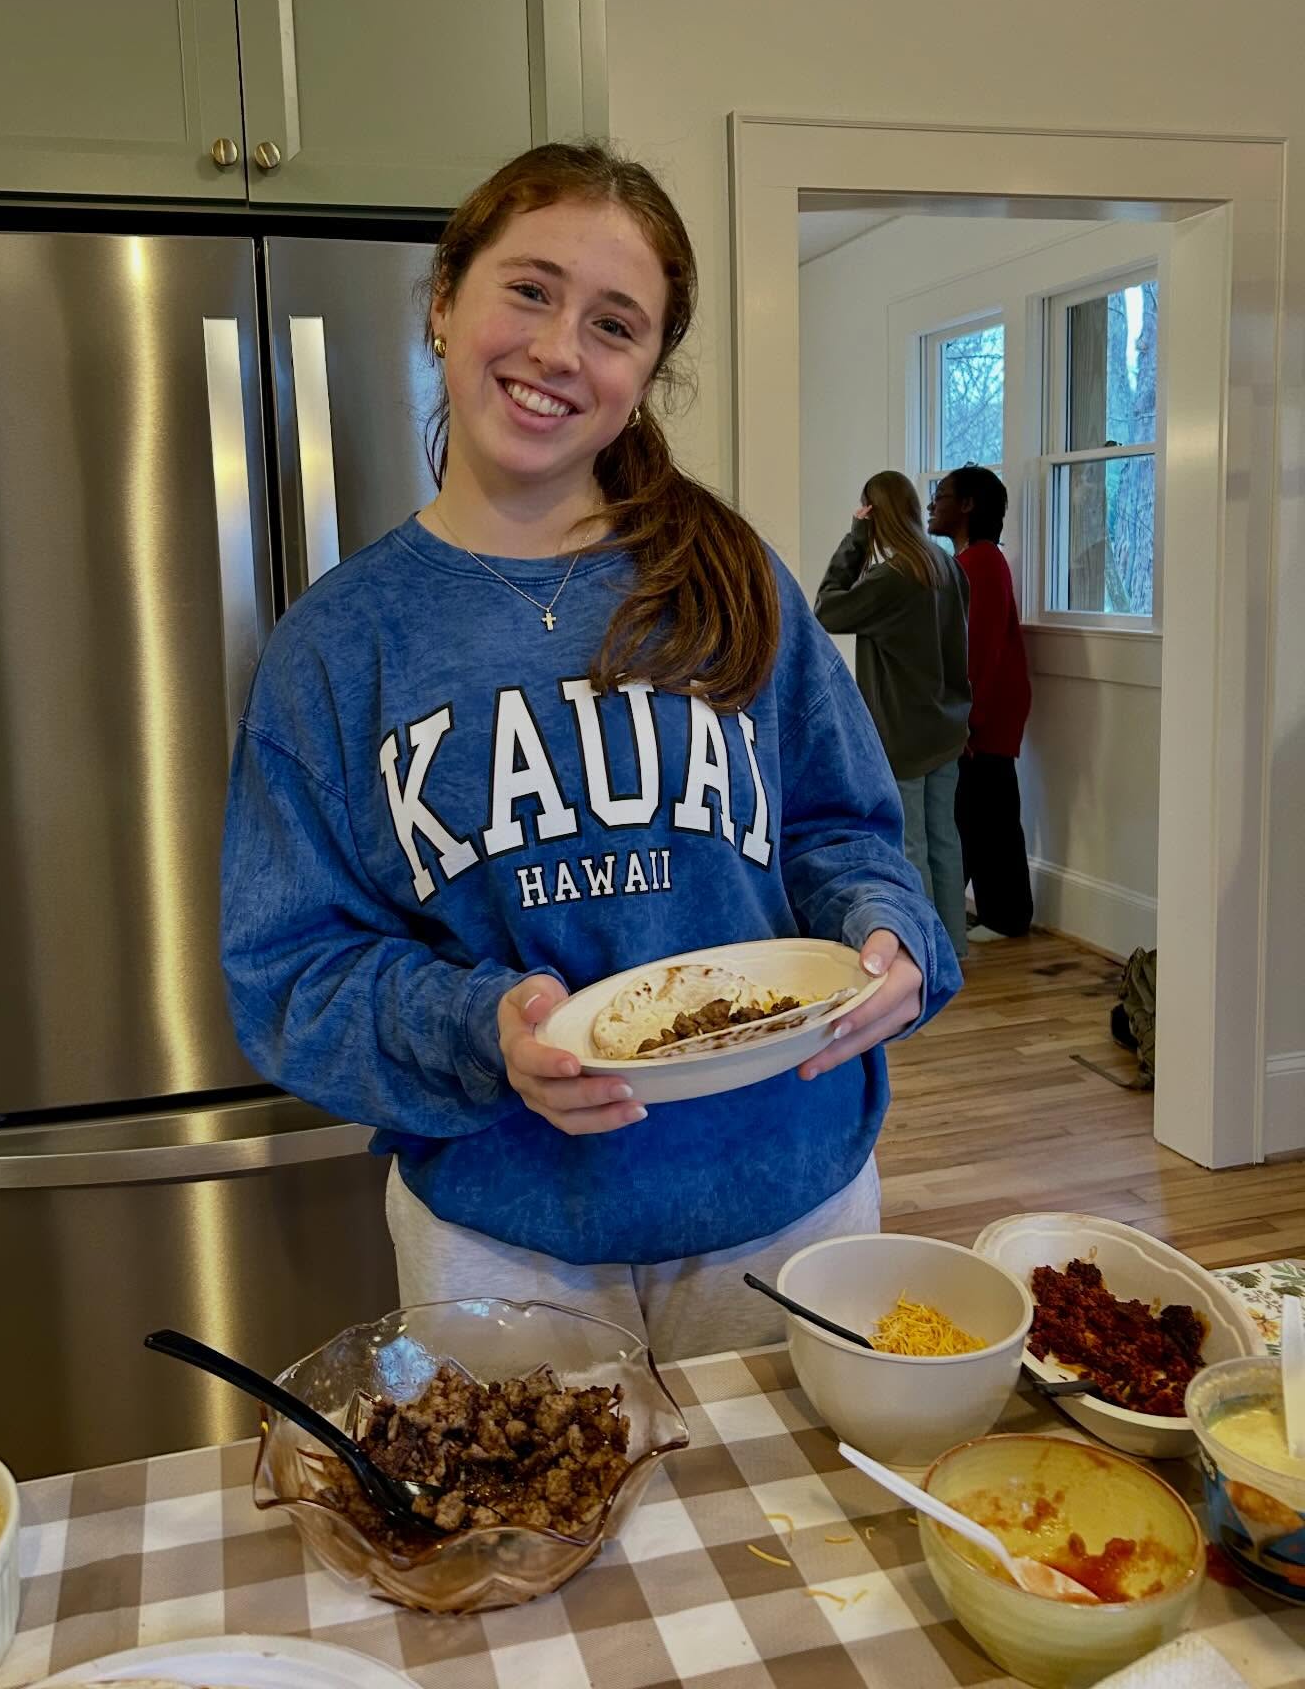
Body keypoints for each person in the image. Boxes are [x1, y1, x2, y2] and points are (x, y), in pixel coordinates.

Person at [220, 142, 960, 1361]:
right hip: (502, 1240)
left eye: (614, 324)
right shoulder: (340, 646)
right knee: (525, 1551)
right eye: (529, 290)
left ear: (646, 373)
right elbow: (290, 974)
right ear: (444, 301)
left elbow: (844, 831)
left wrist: (885, 933)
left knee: (787, 1550)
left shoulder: (735, 583)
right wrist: (482, 1029)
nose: (561, 349)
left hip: (789, 1205)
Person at [813, 474, 971, 962]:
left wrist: (855, 540)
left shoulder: (896, 577)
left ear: (874, 513)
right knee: (944, 839)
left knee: (912, 846)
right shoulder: (946, 567)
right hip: (946, 727)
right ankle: (953, 947)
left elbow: (827, 609)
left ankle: (925, 952)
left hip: (902, 733)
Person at [928, 466, 1034, 941]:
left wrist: (965, 721)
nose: (933, 503)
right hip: (976, 715)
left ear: (967, 505)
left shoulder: (983, 564)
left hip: (983, 717)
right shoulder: (971, 563)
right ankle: (991, 910)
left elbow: (981, 650)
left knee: (987, 813)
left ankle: (1006, 916)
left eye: (942, 495)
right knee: (979, 811)